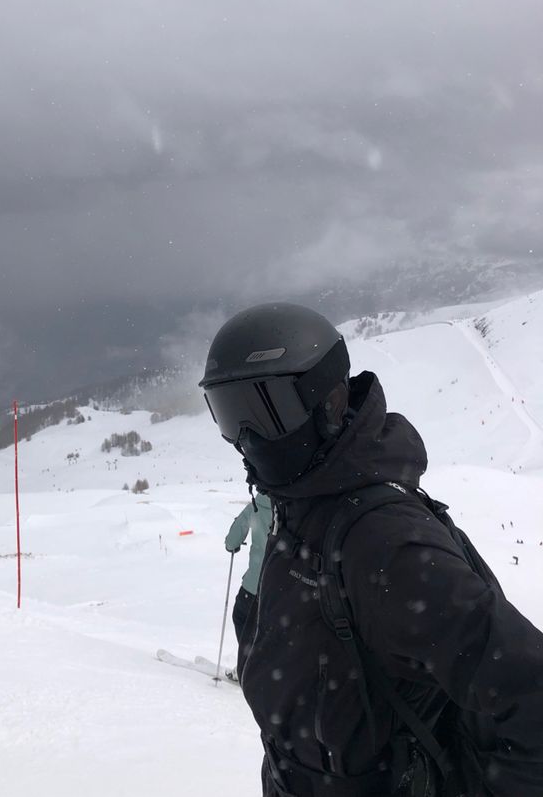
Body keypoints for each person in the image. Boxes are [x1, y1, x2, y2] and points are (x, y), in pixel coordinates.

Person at [199, 302, 543, 797]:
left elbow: (529, 692)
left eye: (266, 412)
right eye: (231, 415)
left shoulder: (385, 544)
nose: (246, 440)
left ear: (330, 402)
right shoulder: (294, 509)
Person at [224, 489, 272, 646]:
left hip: (254, 587)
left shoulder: (256, 505)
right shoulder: (294, 506)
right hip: (285, 588)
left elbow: (232, 541)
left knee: (241, 618)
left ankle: (247, 665)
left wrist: (233, 545)